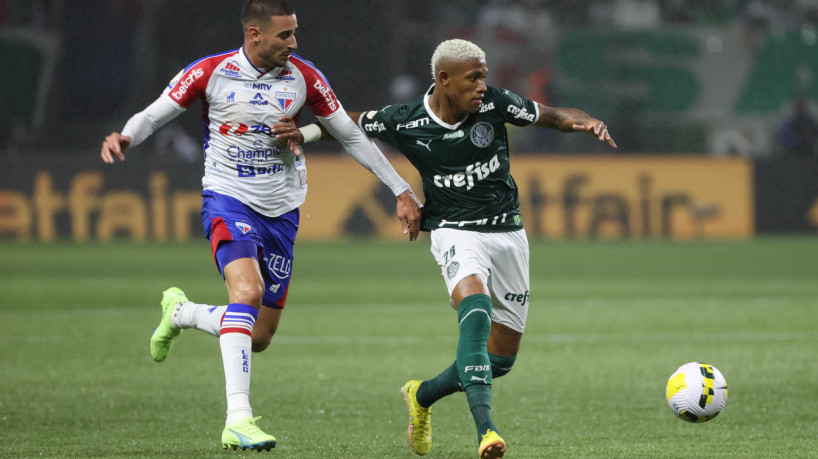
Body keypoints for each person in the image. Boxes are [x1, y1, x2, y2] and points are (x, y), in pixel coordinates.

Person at [99, 0, 421, 451]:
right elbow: (156, 113)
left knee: (259, 335)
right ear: (254, 35)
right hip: (228, 200)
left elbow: (348, 133)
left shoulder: (304, 77)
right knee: (246, 294)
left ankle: (182, 313)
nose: (294, 43)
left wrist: (400, 189)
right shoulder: (211, 72)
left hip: (283, 211)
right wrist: (127, 135)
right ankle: (238, 419)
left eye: (294, 33)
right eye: (284, 35)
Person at [290, 38, 616, 458]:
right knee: (475, 308)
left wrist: (585, 120)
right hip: (453, 229)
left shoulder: (495, 104)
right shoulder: (405, 120)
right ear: (444, 79)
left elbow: (553, 116)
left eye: (484, 76)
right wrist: (305, 131)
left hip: (508, 232)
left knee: (500, 361)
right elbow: (346, 124)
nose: (483, 85)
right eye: (473, 77)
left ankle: (422, 395)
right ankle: (487, 431)